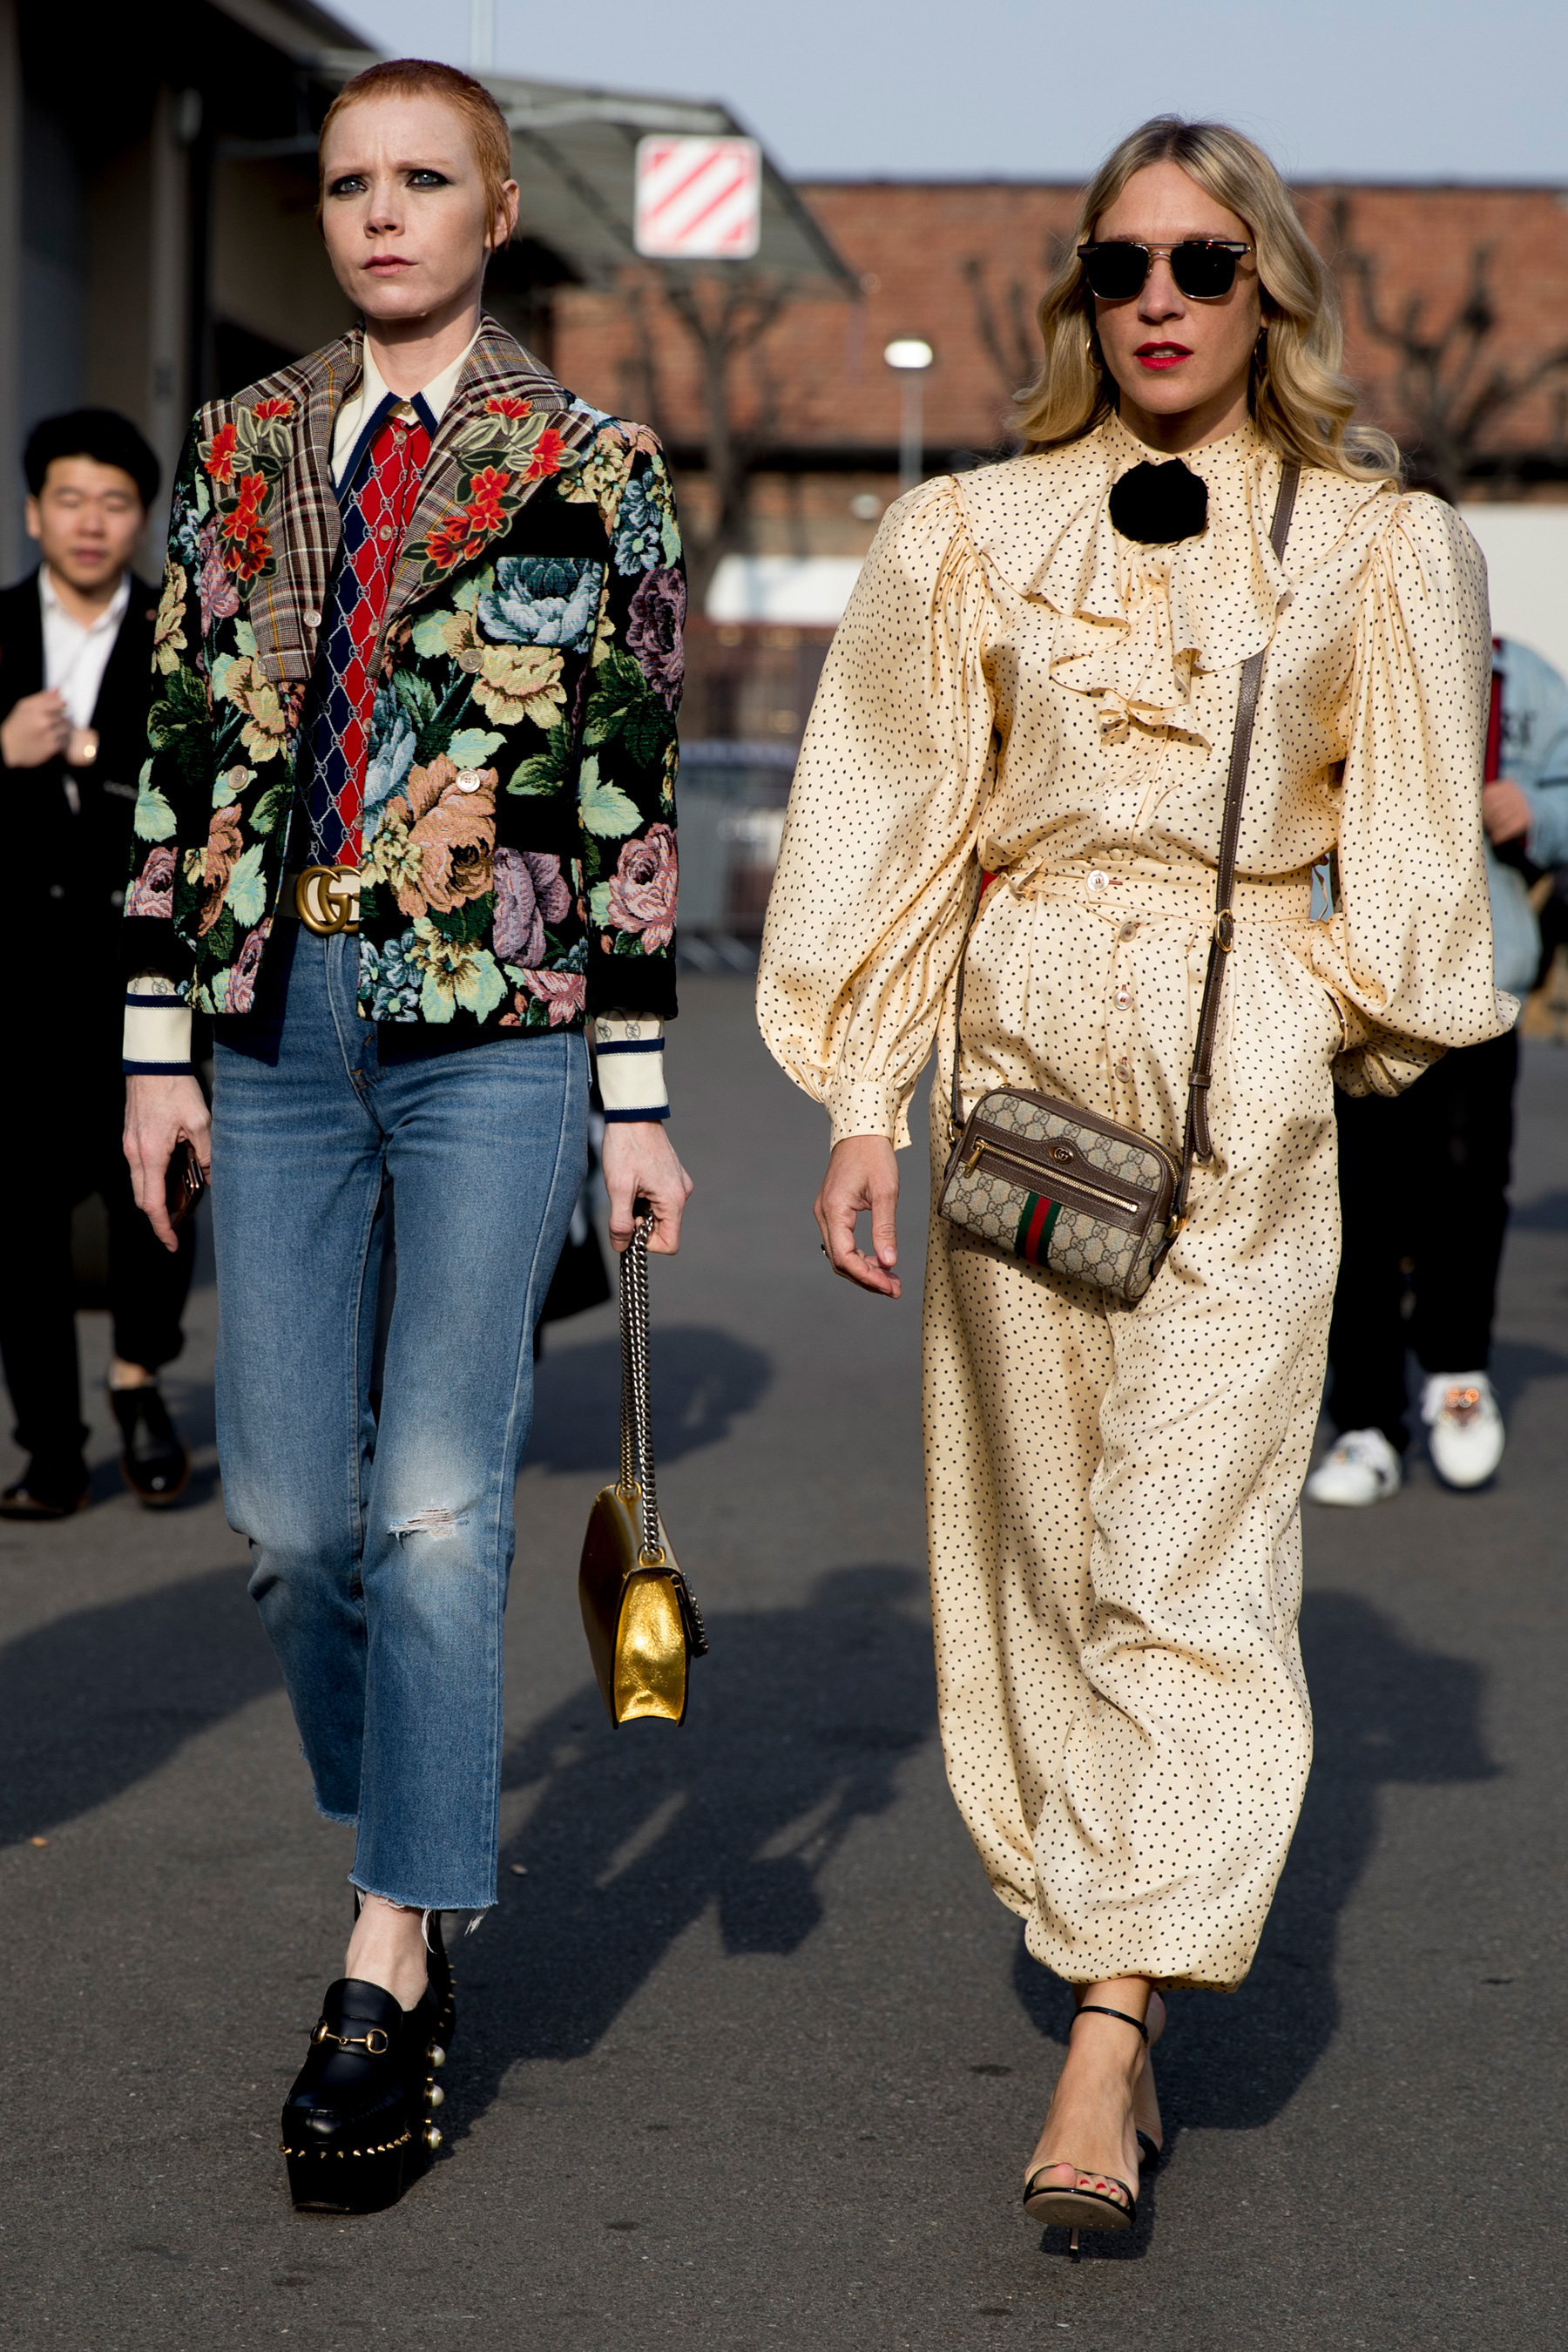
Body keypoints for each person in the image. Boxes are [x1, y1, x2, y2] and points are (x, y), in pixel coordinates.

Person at [757, 115, 1508, 2240]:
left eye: (1201, 258)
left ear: (1269, 281)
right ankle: (1107, 1904)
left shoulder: (1380, 542)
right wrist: (853, 1095)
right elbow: (889, 811)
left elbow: (1429, 881)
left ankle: (1110, 2015)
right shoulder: (965, 531)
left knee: (1188, 1543)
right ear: (1078, 294)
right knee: (1037, 1539)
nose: (1159, 297)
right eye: (1119, 264)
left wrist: (1307, 1017)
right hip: (1016, 1062)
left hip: (1241, 1069)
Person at [119, 57, 691, 2214]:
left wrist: (634, 1103)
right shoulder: (242, 447)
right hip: (269, 1027)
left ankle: (391, 1950)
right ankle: (421, 1833)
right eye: (349, 181)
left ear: (495, 206)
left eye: (420, 182)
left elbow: (620, 799)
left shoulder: (589, 461)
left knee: (443, 1506)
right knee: (286, 1509)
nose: (378, 215)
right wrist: (154, 1044)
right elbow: (178, 755)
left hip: (495, 1034)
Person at [1308, 634, 1568, 1503]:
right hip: (1348, 984)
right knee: (1353, 1202)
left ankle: (1460, 1379)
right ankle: (1367, 1422)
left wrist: (1537, 808)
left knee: (1466, 1184)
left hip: (1478, 975)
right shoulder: (1327, 659)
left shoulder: (1519, 679)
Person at [0, 409, 195, 1518]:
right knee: (17, 1217)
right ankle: (50, 1446)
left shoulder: (181, 638)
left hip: (140, 970)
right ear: (34, 511)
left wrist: (86, 755)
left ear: (141, 517)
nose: (90, 522)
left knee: (154, 1189)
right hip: (16, 980)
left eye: (115, 502)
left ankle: (137, 1382)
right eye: (69, 499)